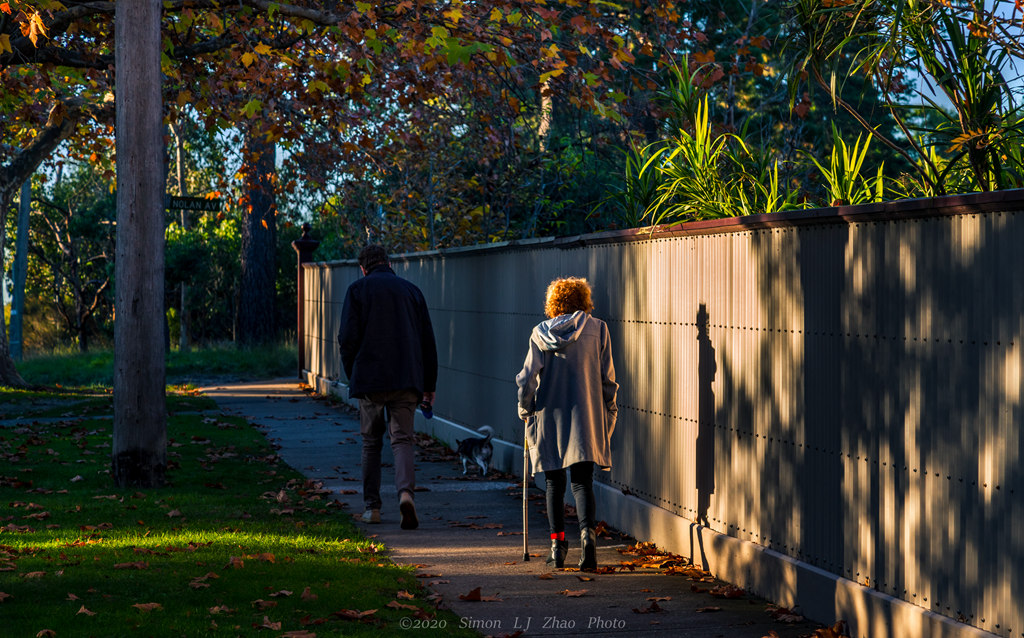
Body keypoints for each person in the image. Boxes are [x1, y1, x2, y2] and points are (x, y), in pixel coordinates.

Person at [516, 277, 618, 570]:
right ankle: (588, 539)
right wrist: (609, 409)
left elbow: (526, 380)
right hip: (586, 415)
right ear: (584, 301)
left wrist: (525, 409)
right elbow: (607, 379)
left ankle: (557, 546)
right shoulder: (598, 329)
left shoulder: (539, 333)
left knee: (553, 483)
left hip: (550, 416)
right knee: (582, 483)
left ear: (553, 304)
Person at [339, 244, 438, 530]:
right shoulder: (411, 291)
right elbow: (427, 343)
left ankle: (372, 508)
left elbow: (347, 338)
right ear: (389, 263)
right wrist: (429, 385)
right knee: (403, 440)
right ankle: (406, 494)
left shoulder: (357, 291)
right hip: (406, 379)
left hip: (370, 378)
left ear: (363, 267)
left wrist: (353, 373)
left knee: (371, 442)